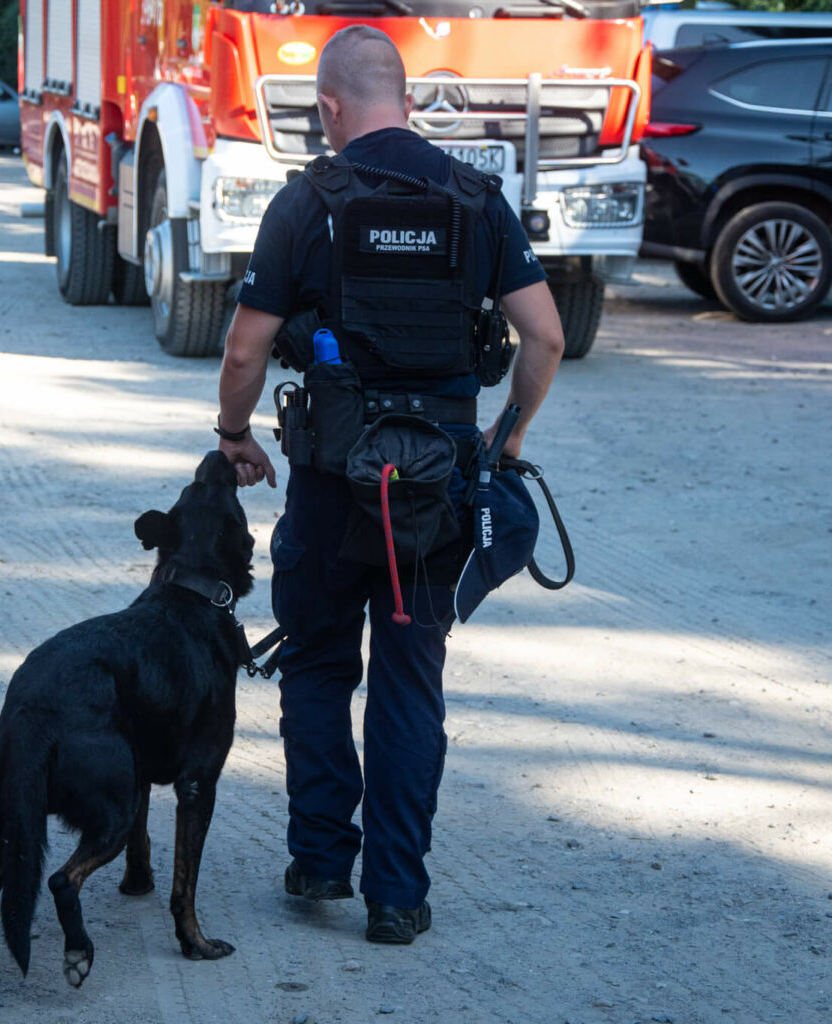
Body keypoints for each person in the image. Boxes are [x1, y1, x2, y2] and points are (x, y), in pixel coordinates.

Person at [214, 25, 566, 944]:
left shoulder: (308, 204)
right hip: (434, 499)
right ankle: (398, 897)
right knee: (410, 683)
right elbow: (547, 338)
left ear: (329, 106)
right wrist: (510, 433)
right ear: (404, 99)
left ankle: (323, 860)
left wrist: (233, 435)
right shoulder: (480, 199)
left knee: (320, 666)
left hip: (335, 492)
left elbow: (248, 345)